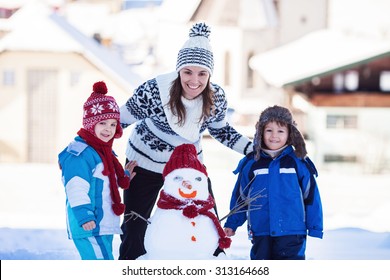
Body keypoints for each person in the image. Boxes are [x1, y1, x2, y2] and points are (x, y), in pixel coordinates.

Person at [118, 22, 253, 260]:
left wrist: (253, 150)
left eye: (202, 73)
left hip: (188, 168)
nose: (194, 80)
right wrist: (92, 143)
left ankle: (214, 265)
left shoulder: (216, 97)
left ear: (210, 74)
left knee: (207, 225)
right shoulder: (154, 91)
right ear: (178, 70)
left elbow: (221, 131)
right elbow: (118, 120)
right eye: (188, 72)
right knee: (135, 227)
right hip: (145, 164)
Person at [223, 105, 323, 260]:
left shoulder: (298, 162)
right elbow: (241, 197)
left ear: (290, 134)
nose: (274, 136)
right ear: (260, 132)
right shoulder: (252, 163)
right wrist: (232, 223)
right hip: (260, 229)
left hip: (292, 231)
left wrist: (315, 226)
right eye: (269, 130)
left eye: (280, 131)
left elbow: (310, 196)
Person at [58, 81, 136, 260]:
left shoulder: (101, 152)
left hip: (103, 224)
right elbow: (76, 187)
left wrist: (123, 176)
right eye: (102, 123)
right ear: (90, 124)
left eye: (112, 124)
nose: (108, 129)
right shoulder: (80, 154)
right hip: (89, 224)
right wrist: (84, 215)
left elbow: (103, 183)